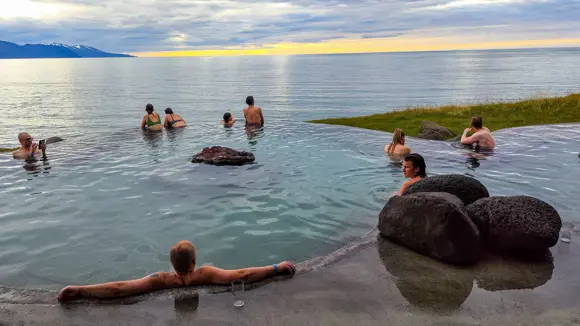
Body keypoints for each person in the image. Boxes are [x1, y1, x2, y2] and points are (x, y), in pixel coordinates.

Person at [57, 240, 296, 302]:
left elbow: (119, 289)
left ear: (171, 264)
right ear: (195, 261)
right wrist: (275, 267)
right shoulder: (206, 273)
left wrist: (80, 290)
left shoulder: (161, 279)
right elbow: (241, 275)